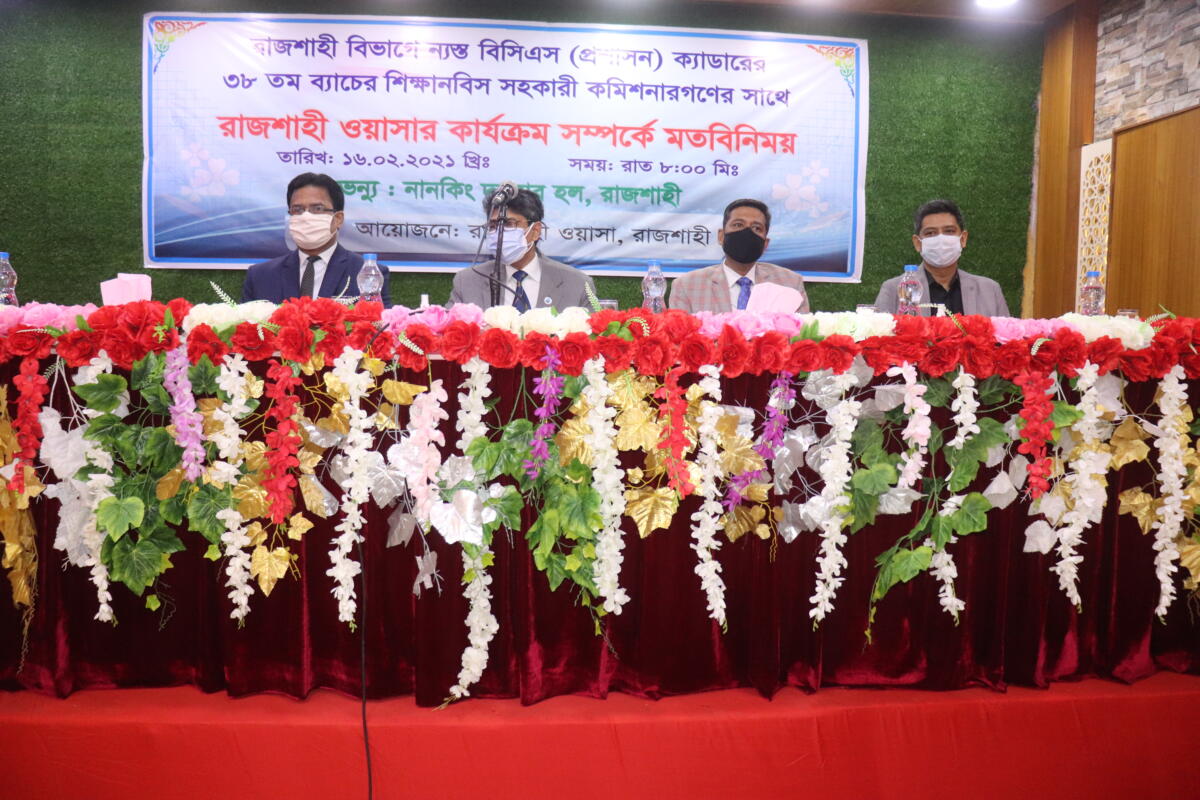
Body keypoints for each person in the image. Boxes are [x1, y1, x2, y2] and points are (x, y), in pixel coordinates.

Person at [242, 172, 391, 305]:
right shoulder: (260, 276)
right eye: (297, 209)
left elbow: (377, 324)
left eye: (317, 209)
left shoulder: (367, 274)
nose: (306, 217)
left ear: (338, 219)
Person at [449, 189, 594, 310]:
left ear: (536, 231)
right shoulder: (467, 281)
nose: (499, 233)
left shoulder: (577, 283)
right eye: (493, 226)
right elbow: (451, 331)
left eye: (509, 224)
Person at [668, 198, 810, 314]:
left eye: (756, 228)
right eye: (738, 225)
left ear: (765, 244)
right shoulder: (686, 285)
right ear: (721, 236)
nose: (746, 232)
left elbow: (800, 337)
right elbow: (679, 337)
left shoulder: (790, 283)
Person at [873, 198, 1009, 317]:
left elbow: (1007, 337)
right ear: (917, 243)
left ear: (963, 239)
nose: (940, 239)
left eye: (949, 231)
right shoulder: (893, 289)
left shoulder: (990, 290)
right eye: (930, 233)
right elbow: (880, 337)